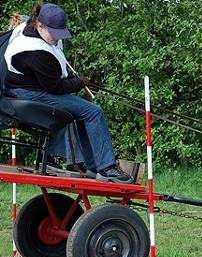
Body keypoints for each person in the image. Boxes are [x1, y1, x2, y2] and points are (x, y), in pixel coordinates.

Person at [3, 2, 133, 183]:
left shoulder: (31, 26)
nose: (57, 38)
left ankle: (93, 166)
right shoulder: (35, 53)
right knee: (93, 112)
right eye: (54, 34)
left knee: (82, 111)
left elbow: (27, 20)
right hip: (27, 94)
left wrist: (77, 81)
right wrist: (80, 82)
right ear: (40, 25)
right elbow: (56, 87)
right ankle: (106, 168)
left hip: (28, 88)